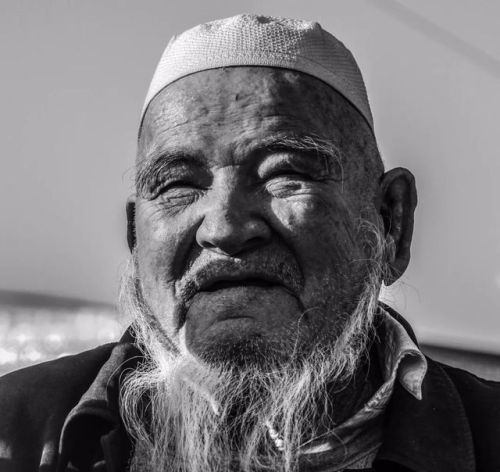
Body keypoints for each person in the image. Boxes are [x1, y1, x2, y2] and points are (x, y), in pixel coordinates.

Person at [0, 14, 498, 472]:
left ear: (391, 222)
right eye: (178, 185)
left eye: (284, 174)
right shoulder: (17, 431)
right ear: (136, 240)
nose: (225, 228)